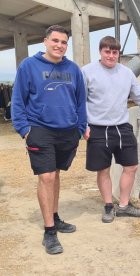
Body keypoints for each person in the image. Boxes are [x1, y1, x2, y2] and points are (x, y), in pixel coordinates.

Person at [11, 25, 87, 255]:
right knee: (46, 176)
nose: (59, 45)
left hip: (68, 131)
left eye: (64, 42)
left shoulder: (73, 69)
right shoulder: (29, 66)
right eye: (55, 40)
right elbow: (17, 101)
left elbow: (81, 101)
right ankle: (49, 231)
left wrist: (80, 127)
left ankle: (55, 216)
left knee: (56, 174)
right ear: (45, 41)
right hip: (40, 129)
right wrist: (25, 130)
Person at [81, 36, 140, 224]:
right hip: (97, 128)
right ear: (100, 52)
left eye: (114, 52)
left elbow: (139, 96)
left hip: (122, 127)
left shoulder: (126, 73)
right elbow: (80, 101)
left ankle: (124, 205)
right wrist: (82, 125)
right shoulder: (87, 72)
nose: (110, 56)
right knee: (103, 169)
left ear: (119, 54)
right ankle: (109, 206)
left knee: (131, 166)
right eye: (107, 51)